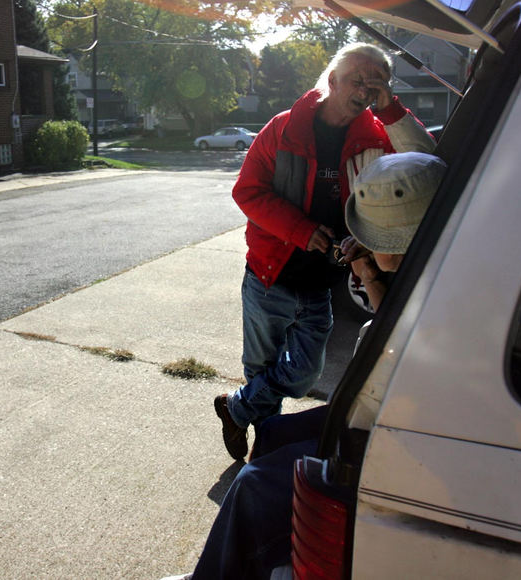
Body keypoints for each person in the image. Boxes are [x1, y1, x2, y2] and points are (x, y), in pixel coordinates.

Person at [163, 152, 447, 580]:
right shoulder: (422, 266)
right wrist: (370, 269)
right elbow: (249, 192)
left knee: (255, 483)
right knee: (273, 430)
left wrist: (371, 269)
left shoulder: (438, 280)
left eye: (375, 235)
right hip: (373, 408)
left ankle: (220, 569)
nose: (364, 241)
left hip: (401, 433)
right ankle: (261, 556)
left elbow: (398, 344)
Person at [215, 43, 435, 460]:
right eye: (358, 80)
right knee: (261, 370)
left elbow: (427, 164)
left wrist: (390, 107)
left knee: (304, 373)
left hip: (321, 282)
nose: (366, 90)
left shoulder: (377, 134)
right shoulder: (284, 129)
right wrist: (299, 230)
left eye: (376, 83)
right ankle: (264, 455)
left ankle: (235, 407)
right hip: (269, 275)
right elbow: (247, 191)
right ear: (332, 81)